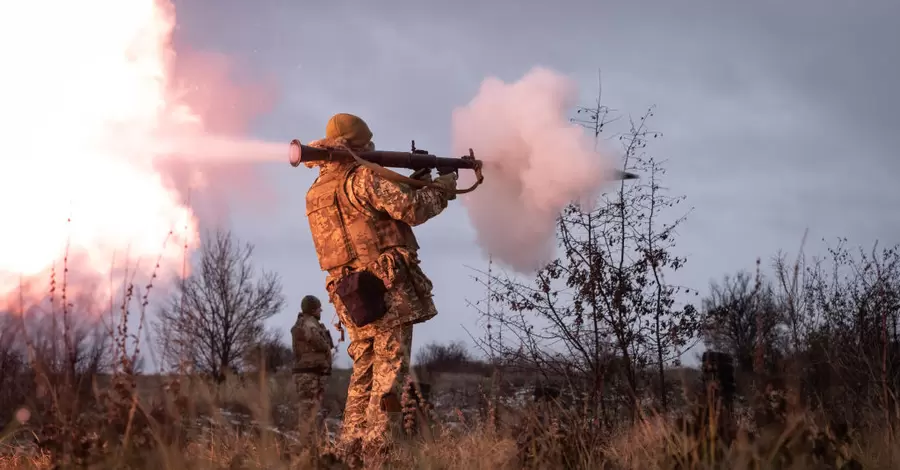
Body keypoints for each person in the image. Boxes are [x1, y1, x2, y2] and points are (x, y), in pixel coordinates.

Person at [303, 113, 457, 456]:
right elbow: (413, 209)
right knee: (391, 372)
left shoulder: (316, 191)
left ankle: (349, 448)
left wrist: (412, 181)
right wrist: (444, 186)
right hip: (385, 287)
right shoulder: (363, 178)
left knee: (364, 370)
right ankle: (378, 450)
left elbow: (366, 220)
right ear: (360, 144)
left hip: (348, 293)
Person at [291, 294, 334, 444]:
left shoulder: (306, 323)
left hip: (312, 373)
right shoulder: (309, 324)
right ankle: (306, 447)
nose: (320, 312)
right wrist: (325, 344)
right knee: (308, 411)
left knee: (312, 411)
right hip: (308, 375)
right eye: (318, 309)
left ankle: (312, 445)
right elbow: (319, 343)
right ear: (313, 309)